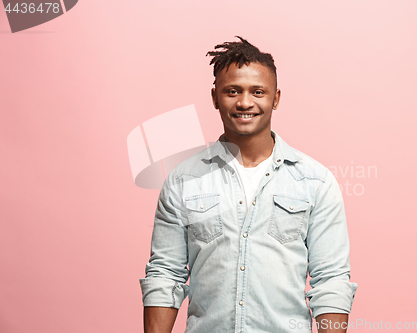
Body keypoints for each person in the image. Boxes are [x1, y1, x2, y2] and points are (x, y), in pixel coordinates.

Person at [140, 36, 357, 333]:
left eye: (258, 91)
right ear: (215, 97)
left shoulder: (315, 182)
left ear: (276, 98)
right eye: (232, 91)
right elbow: (165, 276)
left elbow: (331, 282)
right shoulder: (183, 181)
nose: (245, 102)